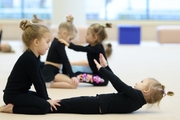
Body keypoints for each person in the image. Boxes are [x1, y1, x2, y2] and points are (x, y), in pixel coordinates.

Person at [48, 53, 174, 114]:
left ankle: (48, 106)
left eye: (142, 82)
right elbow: (118, 85)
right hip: (97, 104)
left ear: (146, 91)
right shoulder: (137, 100)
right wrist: (106, 67)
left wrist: (101, 69)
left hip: (96, 104)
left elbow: (118, 83)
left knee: (70, 104)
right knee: (71, 103)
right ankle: (51, 104)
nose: (137, 82)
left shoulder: (136, 96)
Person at [0, 20, 60, 114]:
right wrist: (46, 101)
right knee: (44, 107)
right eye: (47, 42)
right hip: (13, 96)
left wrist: (46, 98)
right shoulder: (29, 58)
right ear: (36, 42)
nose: (49, 46)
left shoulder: (35, 56)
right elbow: (37, 81)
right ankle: (11, 109)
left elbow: (40, 78)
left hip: (22, 92)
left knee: (45, 101)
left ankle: (43, 100)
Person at [41, 15, 79, 89]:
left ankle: (49, 83)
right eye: (70, 39)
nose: (70, 42)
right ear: (64, 33)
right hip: (49, 72)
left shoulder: (57, 42)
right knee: (73, 84)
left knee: (73, 83)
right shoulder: (58, 44)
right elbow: (65, 60)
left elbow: (63, 61)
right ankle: (48, 84)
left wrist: (67, 74)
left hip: (53, 71)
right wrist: (72, 76)